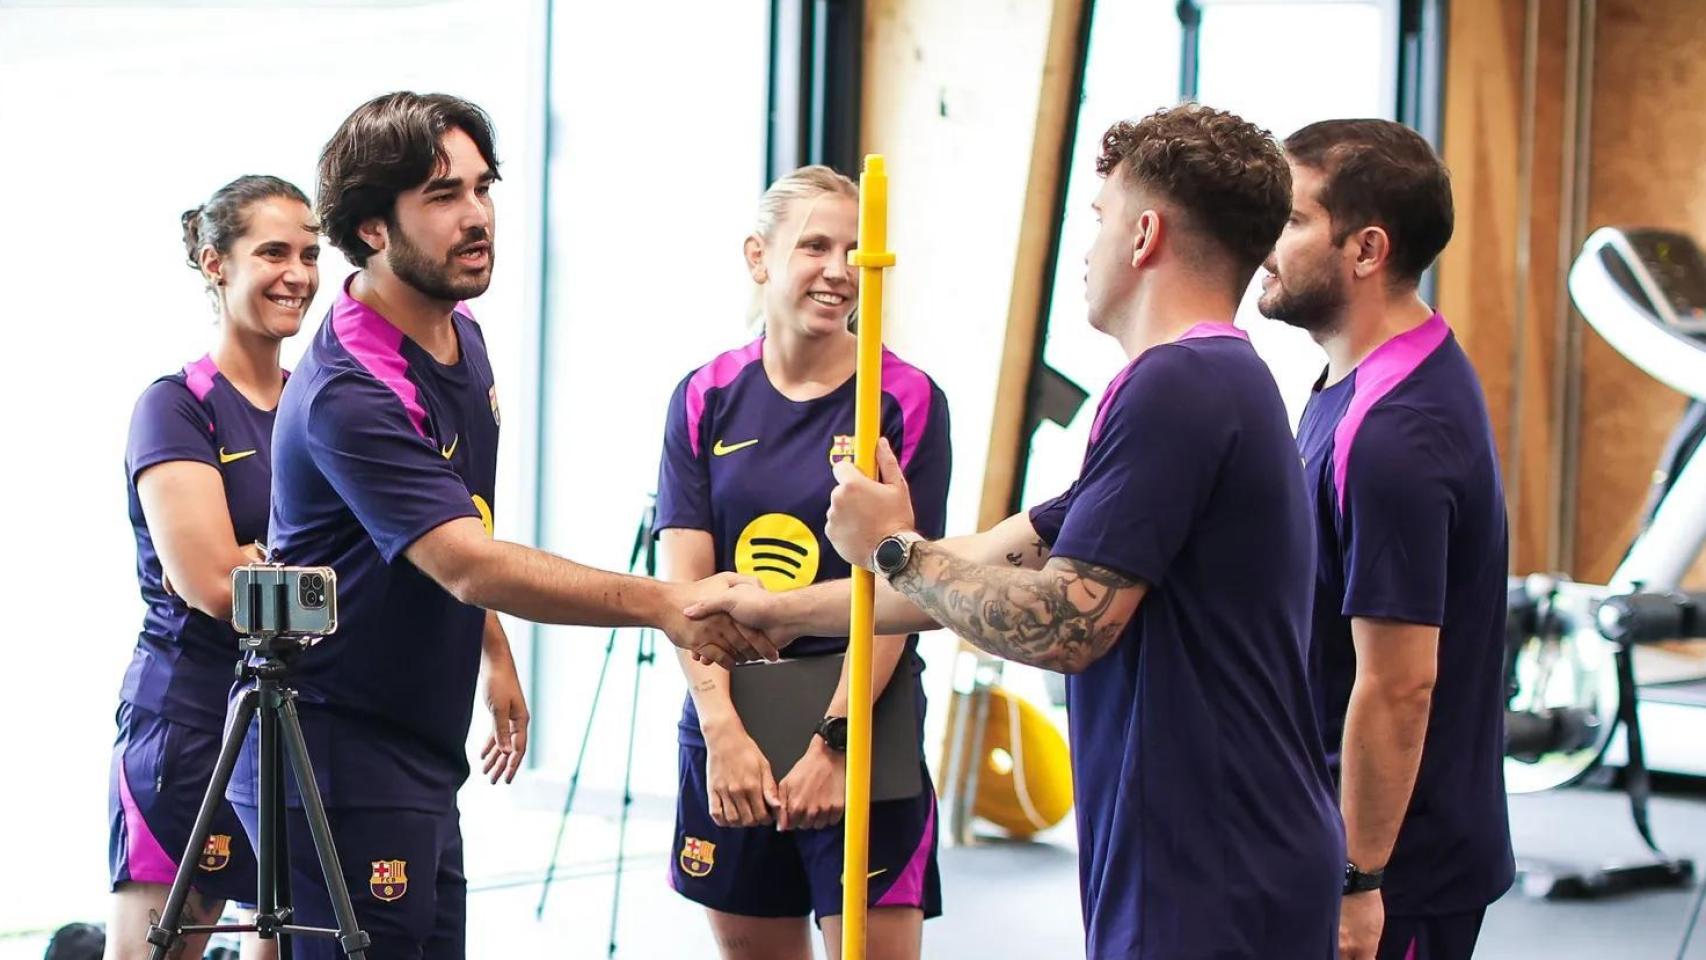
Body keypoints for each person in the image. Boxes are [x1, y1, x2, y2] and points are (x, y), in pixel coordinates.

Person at [687, 104, 1344, 959]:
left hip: (1215, 857)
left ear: (1144, 236)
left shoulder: (1179, 388)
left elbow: (1063, 622)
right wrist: (782, 614)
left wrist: (894, 547)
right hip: (1206, 845)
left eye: (1100, 220)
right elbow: (994, 556)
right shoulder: (1201, 379)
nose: (1088, 247)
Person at [231, 91, 773, 960]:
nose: (478, 216)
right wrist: (669, 602)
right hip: (333, 753)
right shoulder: (351, 390)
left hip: (415, 746)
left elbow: (448, 523)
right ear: (373, 227)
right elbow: (466, 561)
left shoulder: (460, 333)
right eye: (444, 197)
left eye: (484, 188)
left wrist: (490, 649)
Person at [656, 165, 952, 960]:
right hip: (733, 723)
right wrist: (721, 730)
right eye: (815, 245)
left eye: (856, 251)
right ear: (759, 256)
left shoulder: (905, 399)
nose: (838, 268)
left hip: (865, 718)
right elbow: (685, 592)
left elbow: (909, 588)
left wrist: (835, 742)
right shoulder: (704, 396)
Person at [1258, 118, 1514, 960]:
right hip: (1336, 835)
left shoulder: (1395, 430)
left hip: (1396, 873)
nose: (1267, 240)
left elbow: (1399, 685)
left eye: (1291, 221)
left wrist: (1357, 880)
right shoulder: (1350, 373)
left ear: (1365, 249)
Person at [111, 174, 318, 960]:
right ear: (215, 263)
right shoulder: (177, 405)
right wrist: (256, 576)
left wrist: (263, 570)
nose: (296, 273)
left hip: (297, 723)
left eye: (309, 252)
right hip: (192, 723)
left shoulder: (318, 405)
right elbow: (213, 586)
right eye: (272, 252)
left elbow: (370, 565)